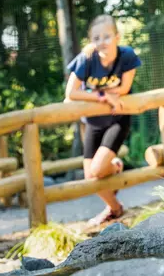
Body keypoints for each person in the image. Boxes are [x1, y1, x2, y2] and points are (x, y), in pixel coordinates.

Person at [65, 14, 141, 226]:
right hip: (93, 122)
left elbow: (124, 88)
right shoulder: (86, 59)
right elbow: (71, 92)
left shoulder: (126, 56)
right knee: (91, 177)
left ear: (117, 37)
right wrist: (103, 95)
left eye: (106, 36)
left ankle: (112, 166)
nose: (102, 42)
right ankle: (115, 208)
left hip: (117, 119)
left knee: (98, 171)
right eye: (96, 38)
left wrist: (90, 91)